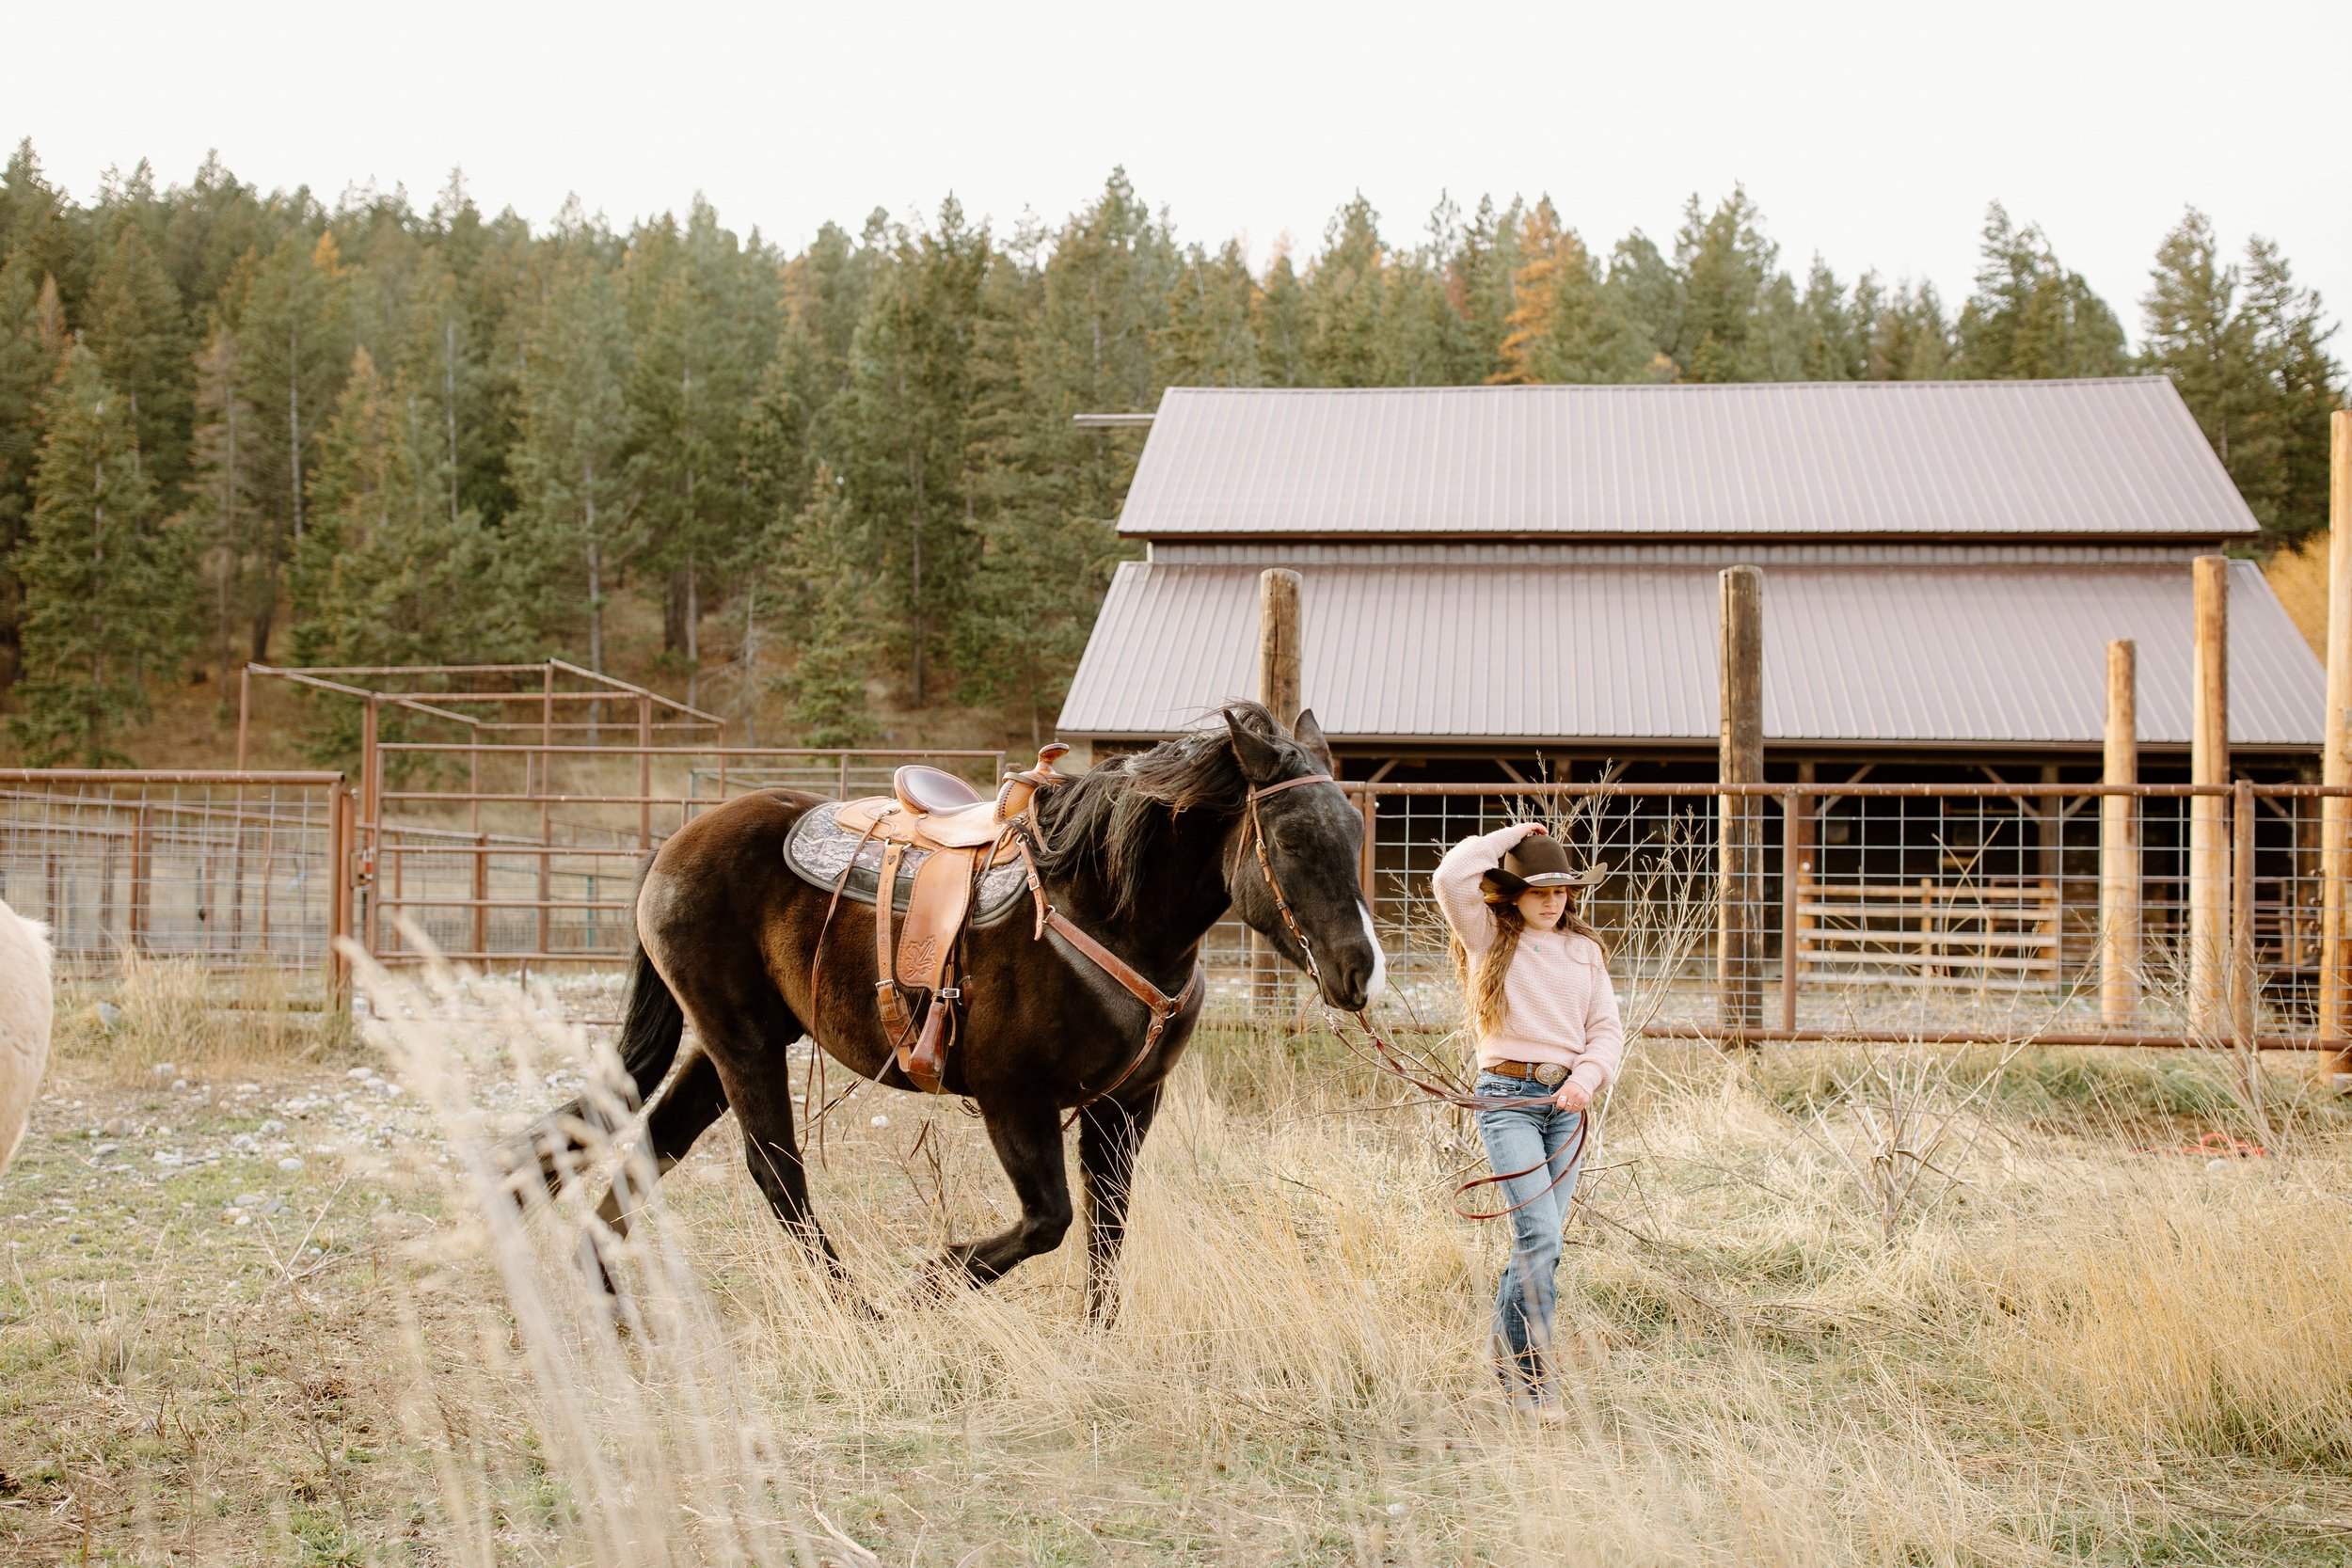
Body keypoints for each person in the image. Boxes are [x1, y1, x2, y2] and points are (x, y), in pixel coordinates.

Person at [1431, 821, 1624, 1414]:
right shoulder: (1490, 936)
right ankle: (1532, 1383)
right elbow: (1450, 875)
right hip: (1508, 1100)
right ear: (1513, 893)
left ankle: (1510, 1371)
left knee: (1542, 1242)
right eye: (1538, 890)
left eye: (1561, 891)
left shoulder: (1585, 951)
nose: (1551, 902)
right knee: (1539, 1235)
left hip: (1567, 1108)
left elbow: (1606, 1032)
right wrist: (1515, 833)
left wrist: (1586, 1082)